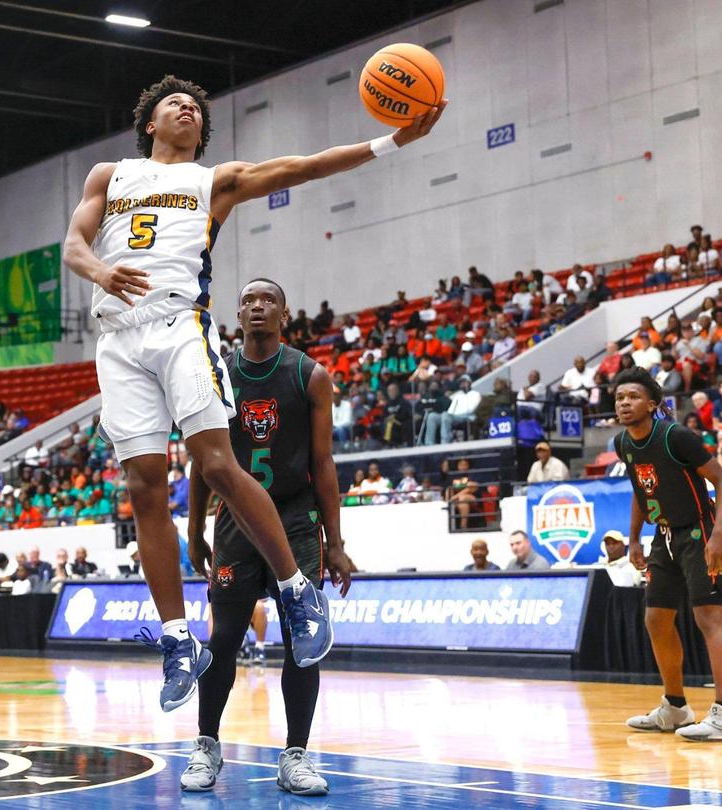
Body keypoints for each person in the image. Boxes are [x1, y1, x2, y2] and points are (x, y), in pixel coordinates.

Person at [62, 78, 441, 710]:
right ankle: (177, 639)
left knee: (216, 463)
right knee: (144, 487)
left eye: (196, 108)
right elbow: (73, 244)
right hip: (117, 338)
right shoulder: (110, 174)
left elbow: (305, 166)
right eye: (174, 103)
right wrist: (101, 270)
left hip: (179, 325)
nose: (188, 108)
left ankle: (296, 592)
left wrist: (391, 142)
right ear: (150, 122)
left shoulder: (215, 181)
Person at [185, 278, 353, 796]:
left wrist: (336, 541)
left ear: (284, 314)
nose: (257, 306)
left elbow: (324, 463)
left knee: (303, 643)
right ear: (237, 316)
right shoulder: (216, 375)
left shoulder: (310, 375)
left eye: (268, 301)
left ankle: (295, 755)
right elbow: (201, 462)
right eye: (248, 301)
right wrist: (194, 531)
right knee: (223, 640)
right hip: (235, 521)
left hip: (296, 519)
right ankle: (207, 745)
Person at [614, 367, 722, 741]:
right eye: (619, 398)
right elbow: (641, 489)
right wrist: (634, 538)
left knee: (709, 616)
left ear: (652, 403)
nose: (624, 403)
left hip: (700, 531)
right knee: (656, 618)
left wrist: (719, 535)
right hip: (664, 535)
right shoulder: (624, 443)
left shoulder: (676, 436)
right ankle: (675, 707)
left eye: (633, 397)